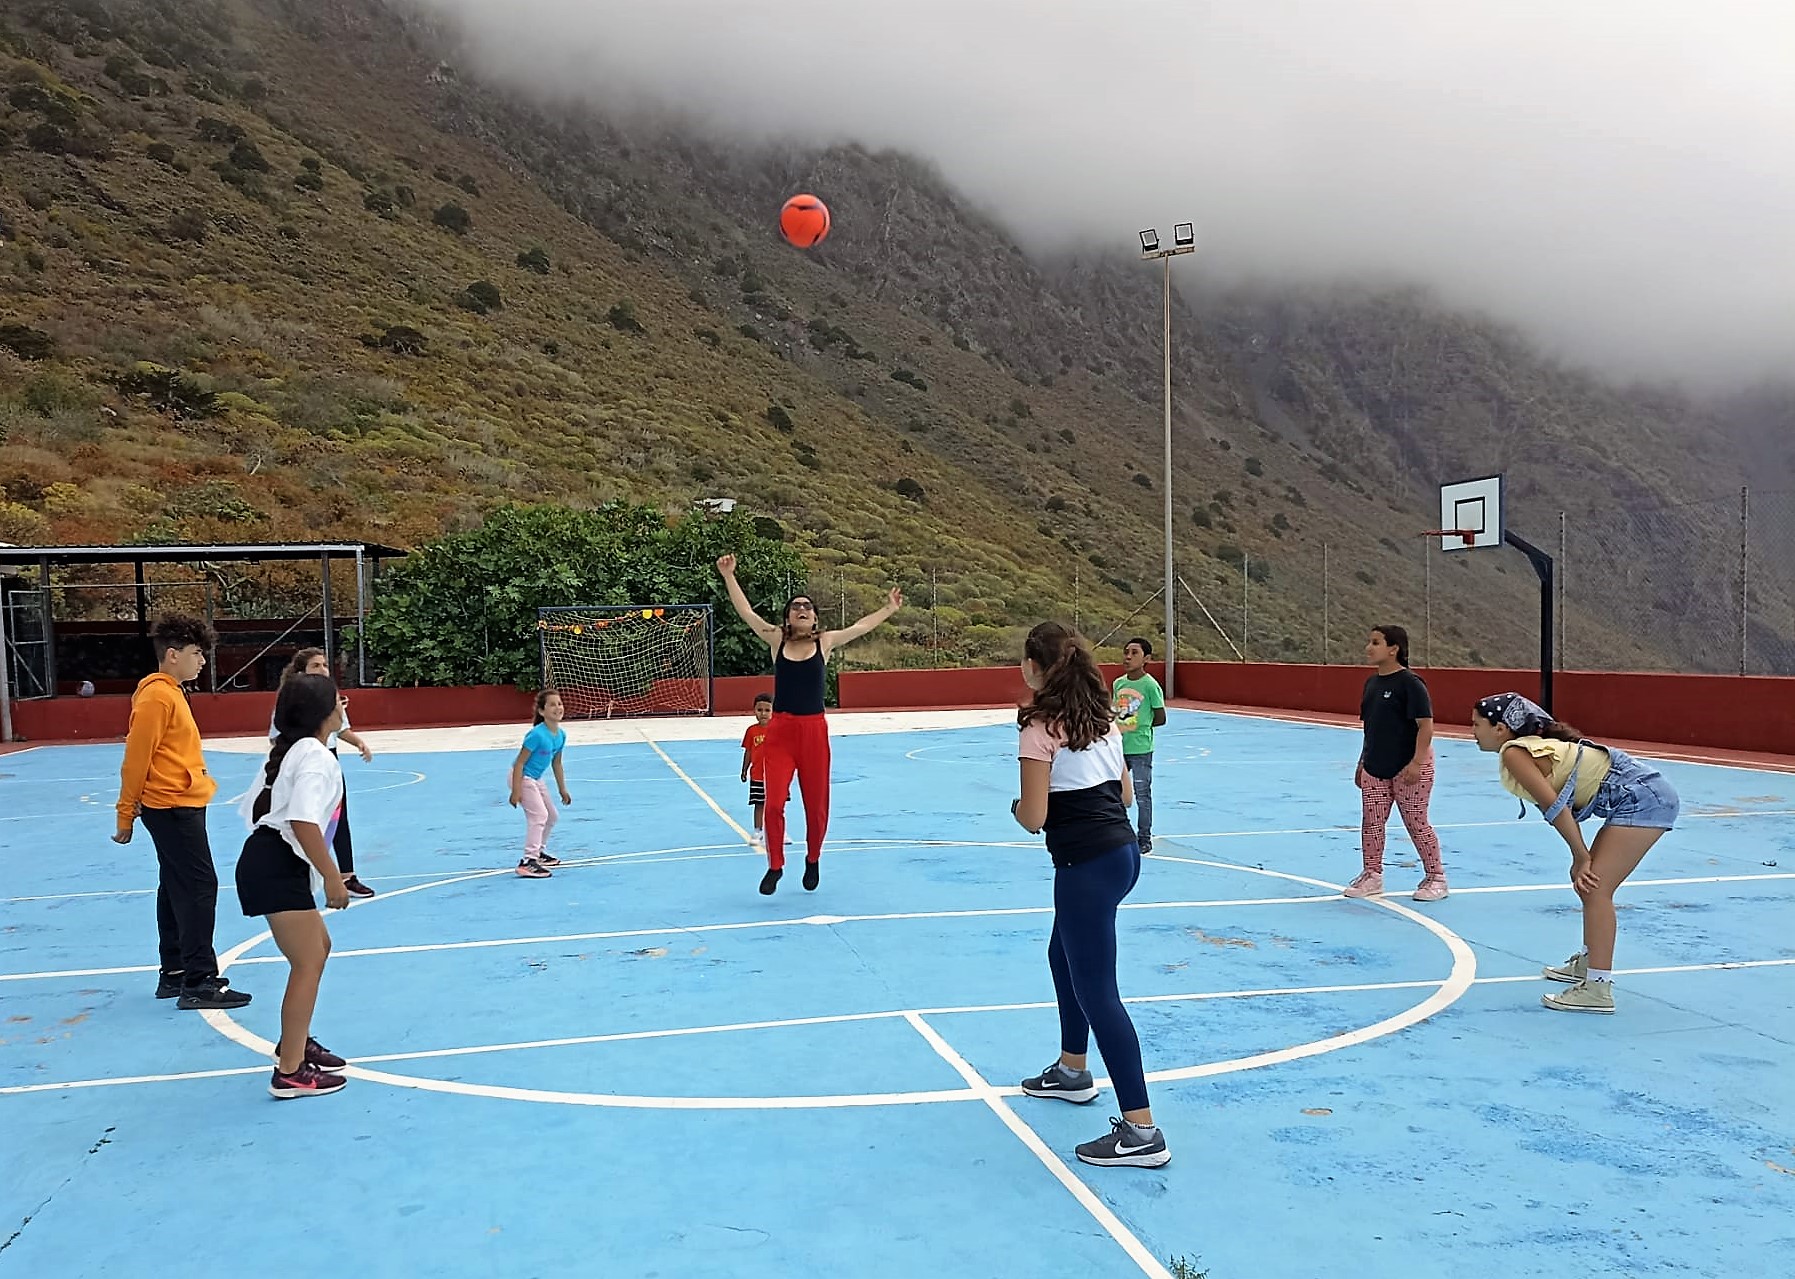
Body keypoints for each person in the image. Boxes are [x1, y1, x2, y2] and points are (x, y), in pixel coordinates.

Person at [1012, 621, 1170, 1169]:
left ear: (1034, 669)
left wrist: (1017, 808)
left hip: (1085, 865)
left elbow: (1034, 817)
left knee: (1099, 991)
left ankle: (1142, 1129)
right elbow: (1126, 793)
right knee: (1063, 955)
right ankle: (1073, 1070)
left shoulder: (1037, 726)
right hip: (1121, 855)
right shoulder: (1102, 719)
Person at [1471, 692, 1681, 1014]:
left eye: (1477, 724)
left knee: (1595, 887)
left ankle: (1597, 989)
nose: (1472, 731)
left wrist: (1580, 855)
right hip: (1640, 794)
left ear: (1500, 729)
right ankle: (1588, 962)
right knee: (1590, 886)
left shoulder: (1514, 752)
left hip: (1644, 797)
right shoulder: (1525, 748)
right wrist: (1580, 855)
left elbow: (1554, 806)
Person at [717, 554, 902, 895]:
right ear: (787, 617)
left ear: (815, 617)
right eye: (795, 606)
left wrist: (888, 609)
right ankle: (775, 865)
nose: (801, 609)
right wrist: (729, 576)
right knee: (773, 804)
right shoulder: (777, 640)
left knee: (816, 807)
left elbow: (860, 627)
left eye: (807, 606)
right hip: (781, 732)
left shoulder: (825, 642)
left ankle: (813, 858)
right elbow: (746, 613)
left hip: (814, 732)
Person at [113, 615, 251, 1011]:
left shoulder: (171, 692)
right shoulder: (157, 696)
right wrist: (125, 814)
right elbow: (136, 756)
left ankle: (174, 972)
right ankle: (199, 980)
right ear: (172, 656)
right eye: (196, 654)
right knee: (198, 887)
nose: (202, 662)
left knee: (176, 886)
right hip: (172, 805)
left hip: (180, 801)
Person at [235, 672, 352, 1098]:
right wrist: (333, 876)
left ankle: (296, 1042)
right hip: (275, 864)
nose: (345, 707)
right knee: (306, 962)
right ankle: (290, 1071)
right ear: (325, 713)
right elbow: (301, 820)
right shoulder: (316, 757)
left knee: (318, 949)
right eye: (341, 701)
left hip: (271, 860)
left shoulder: (297, 751)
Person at [1348, 625, 1448, 902]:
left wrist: (1416, 763)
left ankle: (1436, 877)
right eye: (1370, 642)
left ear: (1394, 649)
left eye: (1376, 642)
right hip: (1376, 767)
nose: (1369, 648)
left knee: (1416, 822)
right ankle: (1372, 874)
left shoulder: (1411, 684)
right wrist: (1363, 762)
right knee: (1372, 823)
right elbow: (1372, 728)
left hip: (1409, 768)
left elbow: (1425, 727)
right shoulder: (1371, 684)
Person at [272, 649, 376, 898]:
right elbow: (277, 736)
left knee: (338, 819)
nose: (323, 670)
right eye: (315, 666)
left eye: (325, 665)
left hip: (329, 757)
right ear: (301, 673)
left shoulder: (331, 698)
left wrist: (358, 742)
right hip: (309, 761)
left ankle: (347, 876)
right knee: (305, 820)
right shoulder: (291, 705)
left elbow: (341, 729)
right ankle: (312, 872)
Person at [1110, 637, 1167, 853]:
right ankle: (1118, 833)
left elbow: (1161, 717)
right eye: (1126, 652)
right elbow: (1116, 711)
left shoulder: (1150, 685)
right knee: (1114, 792)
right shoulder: (1119, 683)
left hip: (1141, 748)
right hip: (1119, 748)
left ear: (1147, 659)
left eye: (1134, 653)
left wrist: (1141, 724)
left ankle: (1144, 838)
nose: (1128, 657)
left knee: (1142, 794)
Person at [509, 689, 571, 879]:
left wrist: (562, 789)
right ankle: (528, 861)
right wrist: (516, 790)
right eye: (552, 704)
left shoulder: (561, 735)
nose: (557, 707)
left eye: (559, 703)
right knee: (539, 816)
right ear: (542, 712)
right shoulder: (536, 735)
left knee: (552, 815)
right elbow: (520, 762)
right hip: (522, 777)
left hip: (535, 778)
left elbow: (557, 763)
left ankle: (539, 853)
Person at [740, 692, 773, 847]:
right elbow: (748, 751)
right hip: (757, 776)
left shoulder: (778, 729)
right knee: (759, 804)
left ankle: (778, 831)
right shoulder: (751, 731)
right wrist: (744, 770)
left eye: (767, 710)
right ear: (754, 711)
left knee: (777, 805)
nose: (763, 714)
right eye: (759, 710)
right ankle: (758, 831)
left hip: (775, 776)